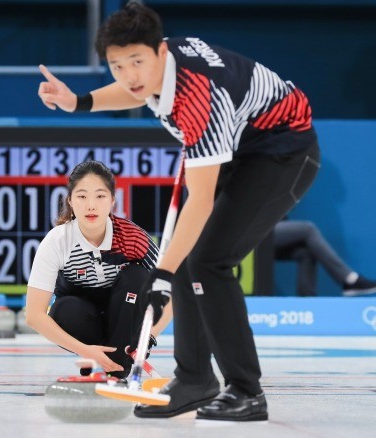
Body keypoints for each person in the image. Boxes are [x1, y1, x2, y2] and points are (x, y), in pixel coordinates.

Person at [37, 1, 321, 422]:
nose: (129, 75)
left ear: (161, 53)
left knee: (208, 262)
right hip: (244, 148)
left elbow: (201, 201)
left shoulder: (196, 97)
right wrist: (78, 101)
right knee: (193, 258)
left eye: (136, 61)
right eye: (117, 66)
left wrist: (162, 276)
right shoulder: (154, 73)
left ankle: (245, 391)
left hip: (283, 150)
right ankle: (194, 381)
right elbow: (134, 89)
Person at [25, 160, 173, 378]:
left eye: (100, 196)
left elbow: (172, 293)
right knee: (65, 309)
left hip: (126, 314)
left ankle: (119, 364)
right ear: (71, 201)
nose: (91, 205)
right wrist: (84, 350)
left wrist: (148, 337)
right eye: (82, 196)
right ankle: (101, 357)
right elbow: (34, 315)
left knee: (138, 276)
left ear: (112, 200)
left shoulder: (135, 239)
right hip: (83, 321)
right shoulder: (57, 241)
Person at [275, 219, 376, 297]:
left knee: (307, 252)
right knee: (308, 229)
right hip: (261, 228)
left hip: (270, 230)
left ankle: (306, 306)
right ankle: (349, 279)